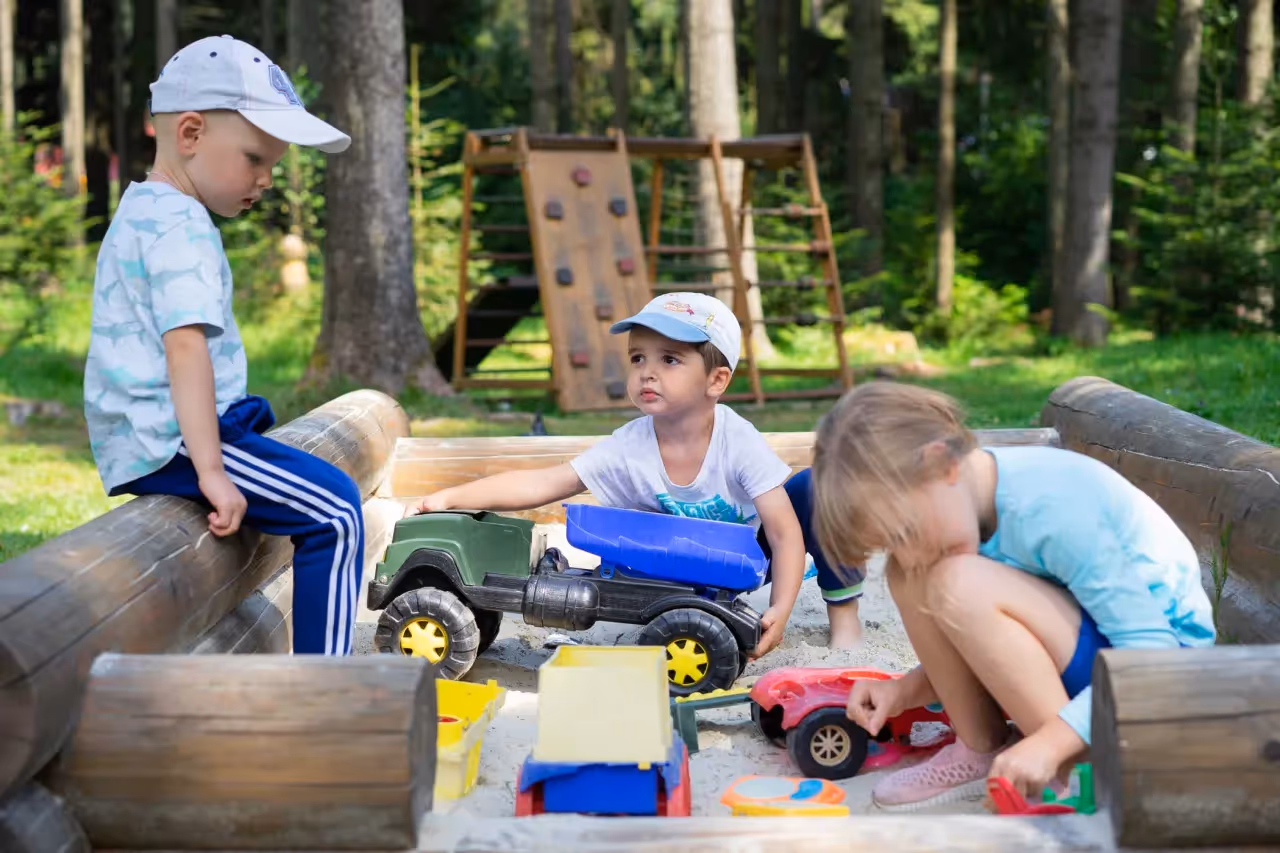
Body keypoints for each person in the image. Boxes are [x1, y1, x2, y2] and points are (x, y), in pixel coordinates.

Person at [810, 382, 1215, 810]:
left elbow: (1155, 655)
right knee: (910, 576)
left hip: (1158, 680)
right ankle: (980, 746)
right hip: (1091, 666)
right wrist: (905, 691)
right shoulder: (963, 509)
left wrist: (1052, 743)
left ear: (943, 463)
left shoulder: (1048, 508)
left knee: (956, 582)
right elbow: (997, 641)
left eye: (908, 531)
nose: (910, 552)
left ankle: (1069, 772)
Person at [84, 35, 359, 655]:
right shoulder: (182, 228)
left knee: (313, 490)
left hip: (156, 434)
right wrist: (211, 469)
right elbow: (185, 350)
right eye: (255, 159)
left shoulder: (144, 210)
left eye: (273, 166)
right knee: (337, 512)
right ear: (190, 134)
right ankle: (331, 687)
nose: (265, 180)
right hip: (176, 441)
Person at [413, 293, 805, 658]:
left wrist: (781, 609)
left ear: (716, 380)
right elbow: (548, 482)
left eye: (669, 359)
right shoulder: (630, 444)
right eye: (638, 359)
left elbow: (784, 533)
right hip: (670, 566)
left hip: (742, 559)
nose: (647, 373)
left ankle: (844, 606)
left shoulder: (737, 443)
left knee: (810, 492)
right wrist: (450, 498)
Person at [757, 467, 866, 648]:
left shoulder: (740, 443)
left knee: (822, 484)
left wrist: (778, 612)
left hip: (754, 550)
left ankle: (843, 612)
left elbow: (784, 538)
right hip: (699, 565)